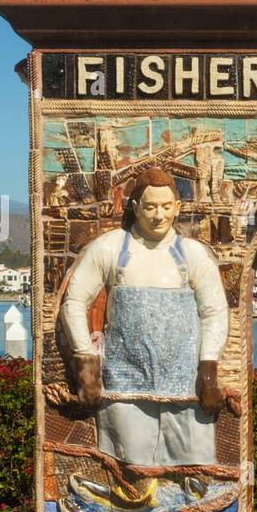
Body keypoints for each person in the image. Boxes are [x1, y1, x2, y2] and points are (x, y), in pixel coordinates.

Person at [59, 168, 229, 466]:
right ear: (135, 208)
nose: (158, 216)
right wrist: (86, 366)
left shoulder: (193, 255)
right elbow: (73, 302)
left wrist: (208, 372)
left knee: (194, 472)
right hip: (124, 389)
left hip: (185, 390)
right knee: (127, 472)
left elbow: (214, 312)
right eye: (150, 207)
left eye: (166, 207)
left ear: (178, 207)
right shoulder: (110, 248)